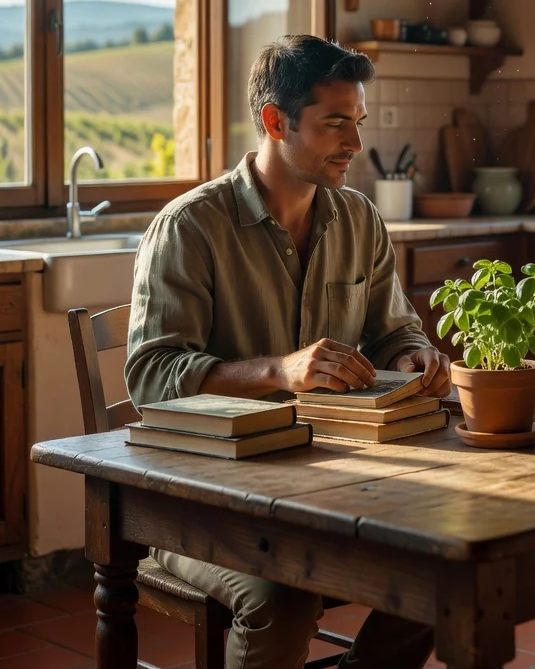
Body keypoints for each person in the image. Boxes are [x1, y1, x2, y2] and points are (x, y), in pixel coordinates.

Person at [125, 34, 450, 669]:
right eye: (335, 125)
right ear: (276, 121)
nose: (355, 144)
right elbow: (150, 376)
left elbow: (395, 333)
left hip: (322, 483)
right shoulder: (190, 226)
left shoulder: (359, 218)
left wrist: (415, 356)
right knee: (284, 594)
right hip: (195, 497)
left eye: (357, 123)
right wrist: (282, 370)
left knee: (440, 569)